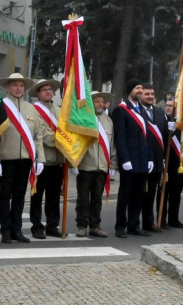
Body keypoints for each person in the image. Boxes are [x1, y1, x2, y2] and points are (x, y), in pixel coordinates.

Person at [0, 73, 44, 244]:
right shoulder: (0, 107)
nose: (18, 88)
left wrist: (39, 158)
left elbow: (37, 136)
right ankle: (5, 230)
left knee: (20, 196)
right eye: (15, 85)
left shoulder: (31, 108)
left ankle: (16, 229)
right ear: (8, 87)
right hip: (6, 159)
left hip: (25, 159)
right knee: (5, 196)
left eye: (21, 85)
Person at [112, 80, 155, 237]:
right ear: (130, 90)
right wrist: (124, 159)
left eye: (141, 88)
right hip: (129, 160)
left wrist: (150, 157)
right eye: (137, 88)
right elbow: (120, 137)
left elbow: (147, 136)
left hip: (142, 160)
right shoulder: (121, 110)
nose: (140, 91)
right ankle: (120, 226)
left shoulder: (142, 111)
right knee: (125, 194)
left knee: (138, 194)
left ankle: (134, 225)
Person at [73, 91, 115, 237]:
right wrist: (74, 163)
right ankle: (82, 226)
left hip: (102, 166)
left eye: (102, 101)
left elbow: (112, 145)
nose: (100, 104)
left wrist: (113, 165)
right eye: (97, 101)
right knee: (83, 198)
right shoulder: (83, 118)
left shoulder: (108, 121)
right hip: (86, 165)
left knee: (97, 198)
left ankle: (95, 225)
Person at [28, 78, 63, 239]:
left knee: (54, 196)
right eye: (44, 90)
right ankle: (36, 226)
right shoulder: (34, 110)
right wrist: (64, 142)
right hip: (42, 160)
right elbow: (42, 134)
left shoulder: (59, 110)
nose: (48, 92)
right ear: (38, 93)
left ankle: (52, 225)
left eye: (50, 89)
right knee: (37, 196)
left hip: (57, 160)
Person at [139, 83, 167, 233]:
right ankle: (134, 223)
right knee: (140, 193)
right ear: (141, 95)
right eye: (146, 94)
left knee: (152, 193)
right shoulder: (137, 112)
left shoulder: (159, 112)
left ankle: (149, 222)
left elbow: (162, 136)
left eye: (151, 94)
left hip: (157, 160)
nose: (150, 96)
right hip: (142, 159)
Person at [160, 97, 183, 229]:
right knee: (164, 193)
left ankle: (173, 218)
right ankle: (162, 219)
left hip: (179, 163)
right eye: (167, 105)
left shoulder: (182, 123)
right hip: (166, 162)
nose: (169, 108)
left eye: (172, 106)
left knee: (176, 192)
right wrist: (168, 130)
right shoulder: (162, 121)